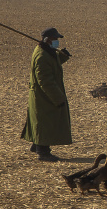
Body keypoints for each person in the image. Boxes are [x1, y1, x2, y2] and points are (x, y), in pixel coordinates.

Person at [21, 27, 72, 162]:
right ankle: (43, 152)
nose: (57, 42)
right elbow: (45, 81)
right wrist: (58, 98)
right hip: (43, 97)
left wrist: (62, 56)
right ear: (47, 39)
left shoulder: (47, 51)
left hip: (44, 96)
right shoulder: (42, 56)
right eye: (55, 39)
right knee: (45, 122)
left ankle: (37, 144)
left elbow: (53, 65)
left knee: (42, 122)